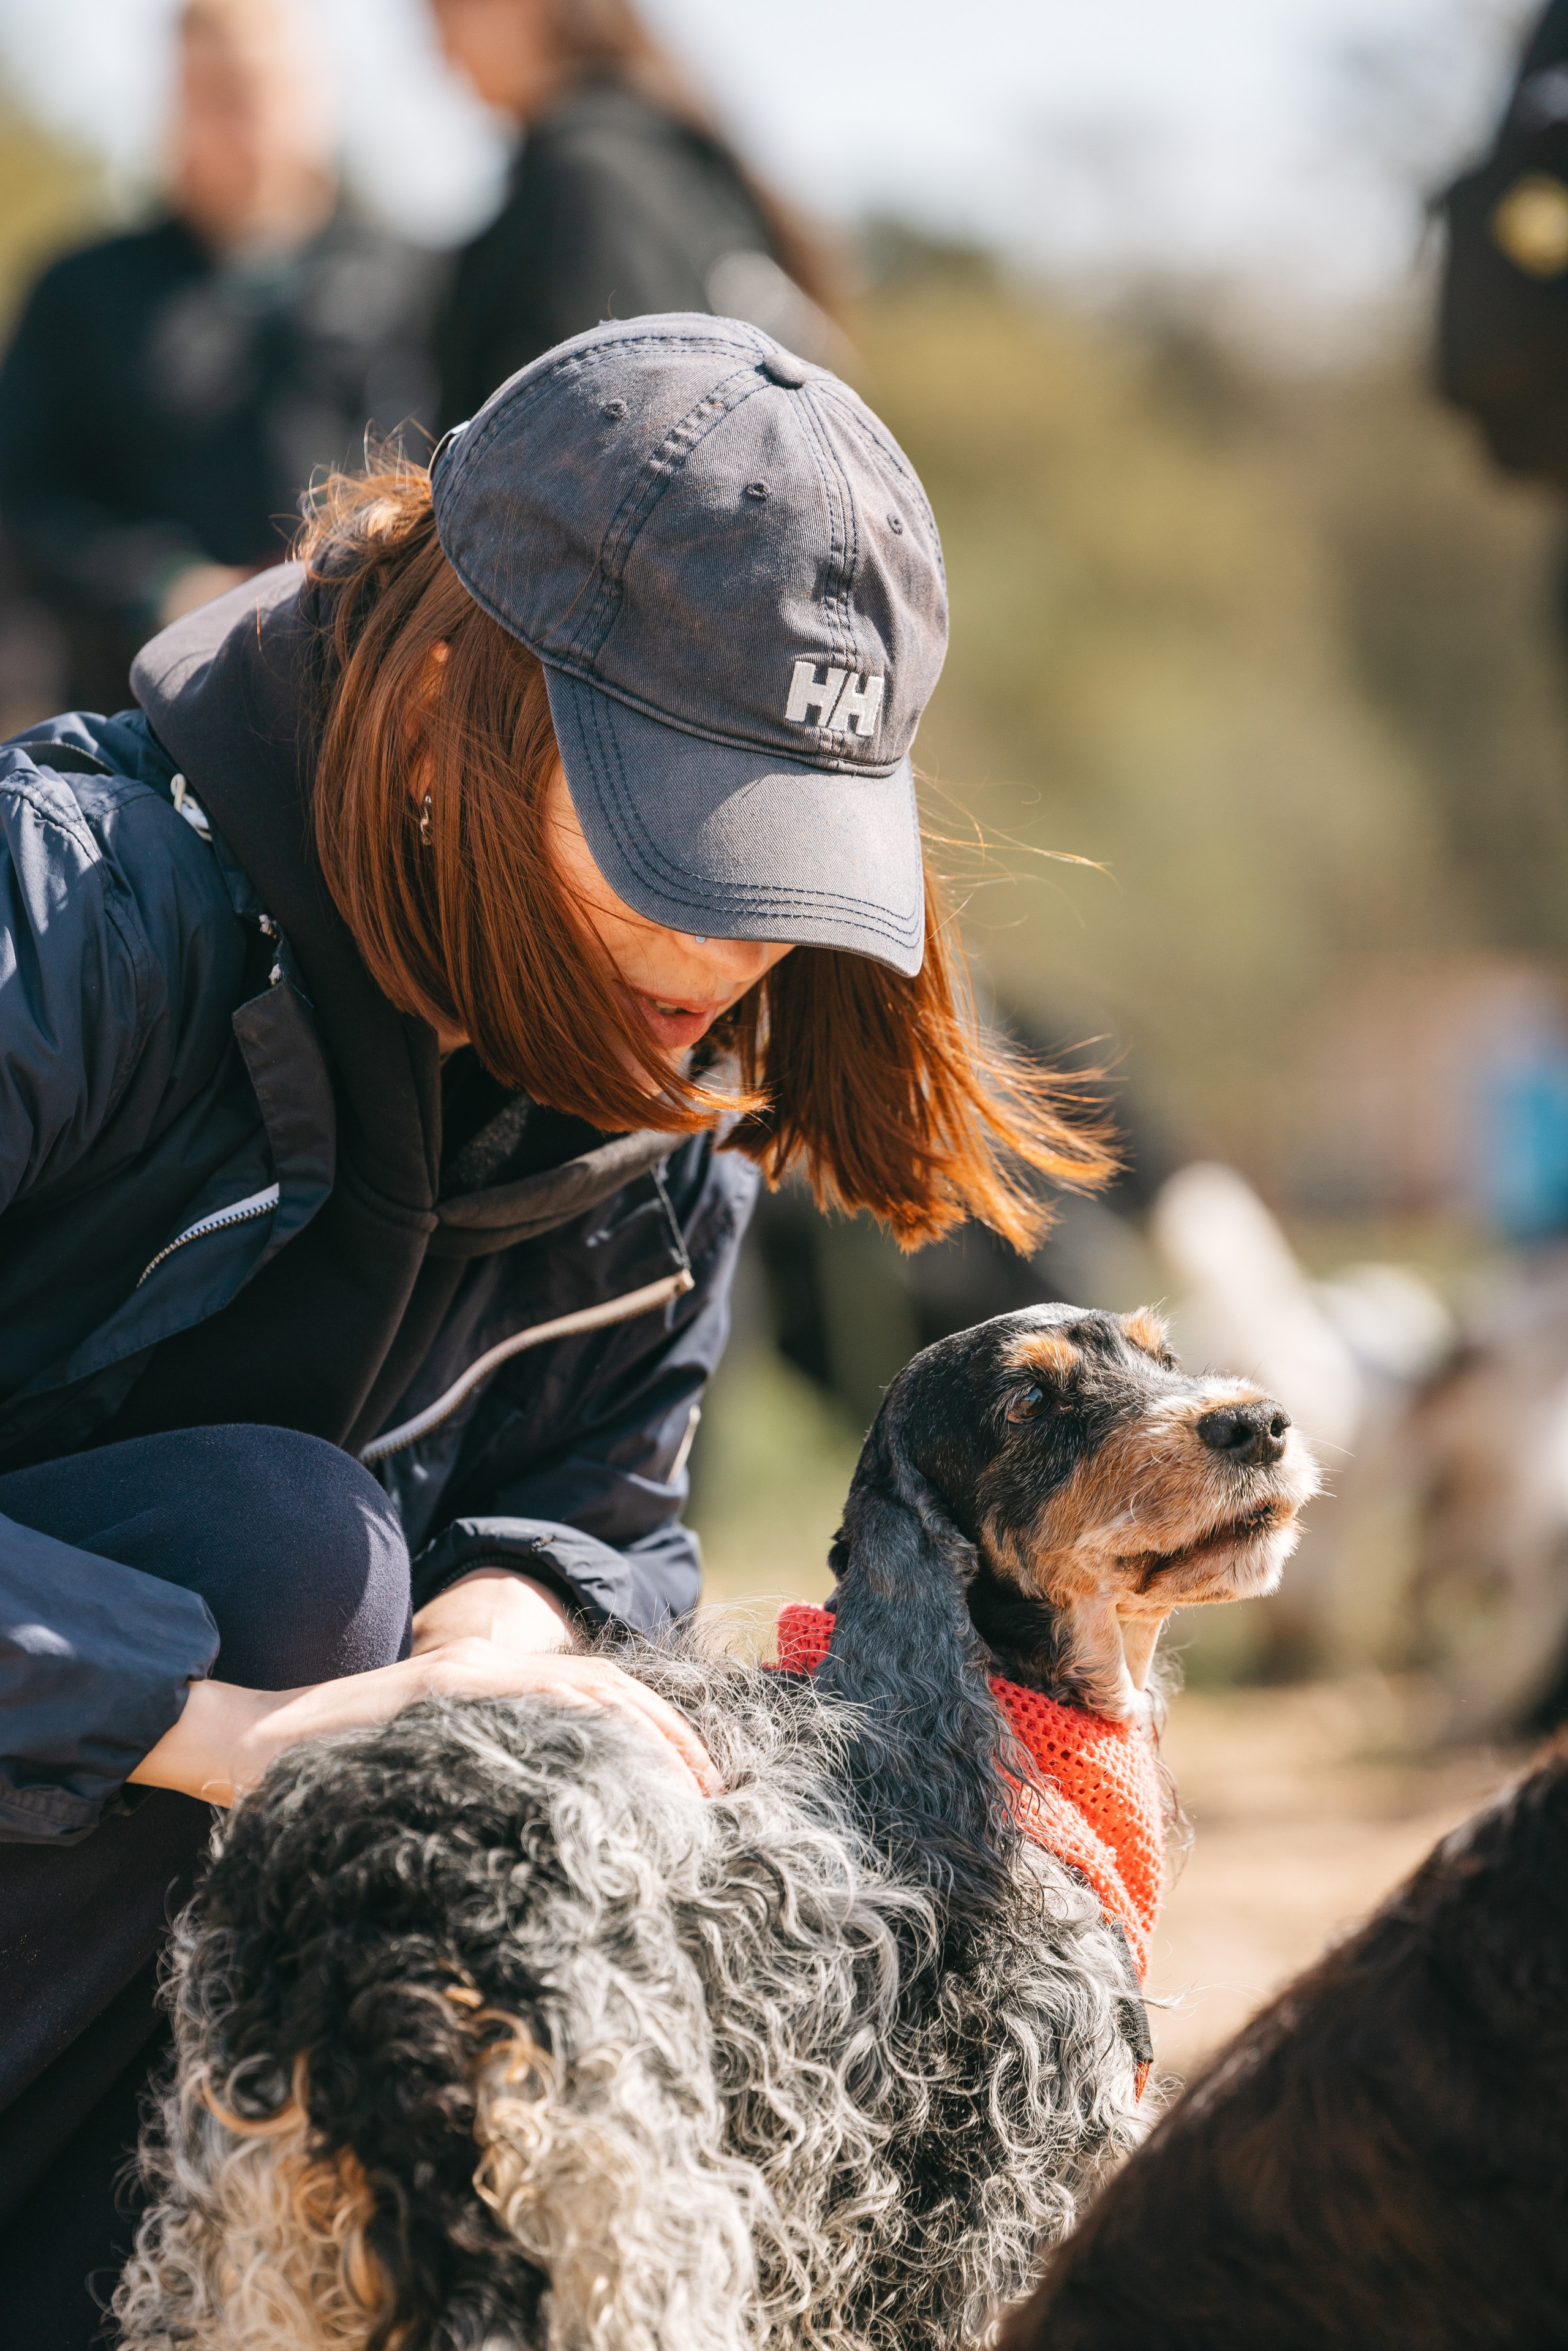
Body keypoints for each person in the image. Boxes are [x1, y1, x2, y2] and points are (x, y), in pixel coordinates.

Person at [0, 312, 1110, 2336]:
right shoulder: (65, 916)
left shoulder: (668, 1117)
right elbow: (275, 1635)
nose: (730, 949)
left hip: (135, 2017)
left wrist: (497, 1642)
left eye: (786, 857)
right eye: (680, 838)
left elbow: (596, 1504)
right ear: (448, 707)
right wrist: (222, 1725)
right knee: (286, 1558)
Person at [0, 0, 439, 716]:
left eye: (259, 88)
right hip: (143, 717)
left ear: (317, 93)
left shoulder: (419, 283)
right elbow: (27, 494)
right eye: (211, 93)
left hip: (370, 715)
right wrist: (165, 584)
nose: (239, 119)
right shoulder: (84, 292)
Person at [429, 0, 841, 428]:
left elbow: (606, 455)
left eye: (444, 14)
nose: (441, 51)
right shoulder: (677, 164)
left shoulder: (585, 184)